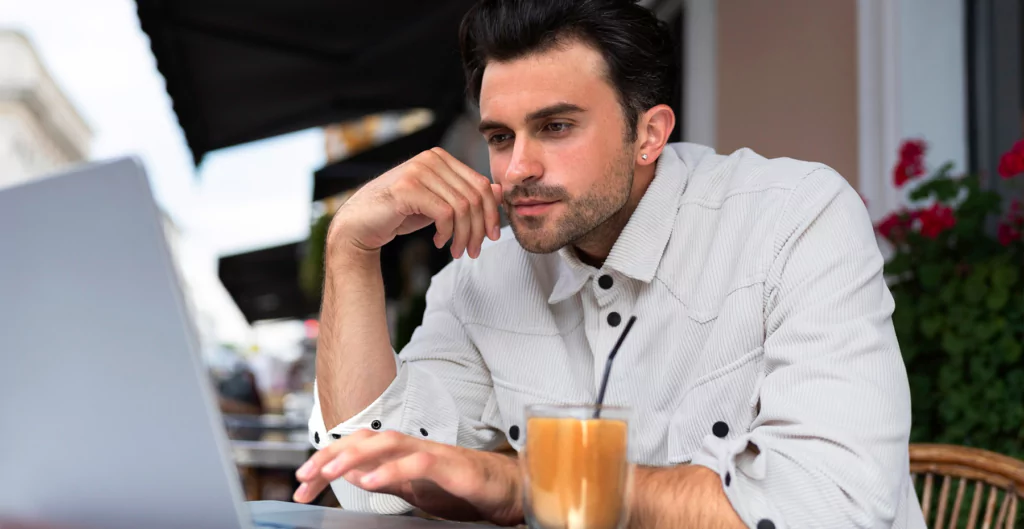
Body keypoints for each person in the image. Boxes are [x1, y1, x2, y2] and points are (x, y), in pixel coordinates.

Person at [293, 0, 927, 527]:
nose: (518, 170)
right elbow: (367, 487)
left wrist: (530, 485)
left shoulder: (794, 220)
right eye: (500, 137)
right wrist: (351, 249)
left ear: (649, 134)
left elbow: (834, 509)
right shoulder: (479, 277)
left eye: (557, 127)